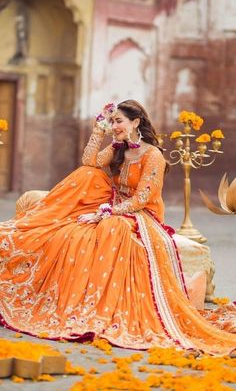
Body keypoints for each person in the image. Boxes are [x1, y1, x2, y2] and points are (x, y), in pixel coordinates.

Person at [0, 100, 235, 354]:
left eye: (118, 121)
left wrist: (105, 213)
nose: (114, 127)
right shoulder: (117, 148)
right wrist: (99, 128)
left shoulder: (153, 155)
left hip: (141, 214)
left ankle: (108, 305)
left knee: (112, 228)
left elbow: (142, 198)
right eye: (112, 122)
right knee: (87, 177)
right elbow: (90, 161)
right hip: (113, 204)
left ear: (135, 122)